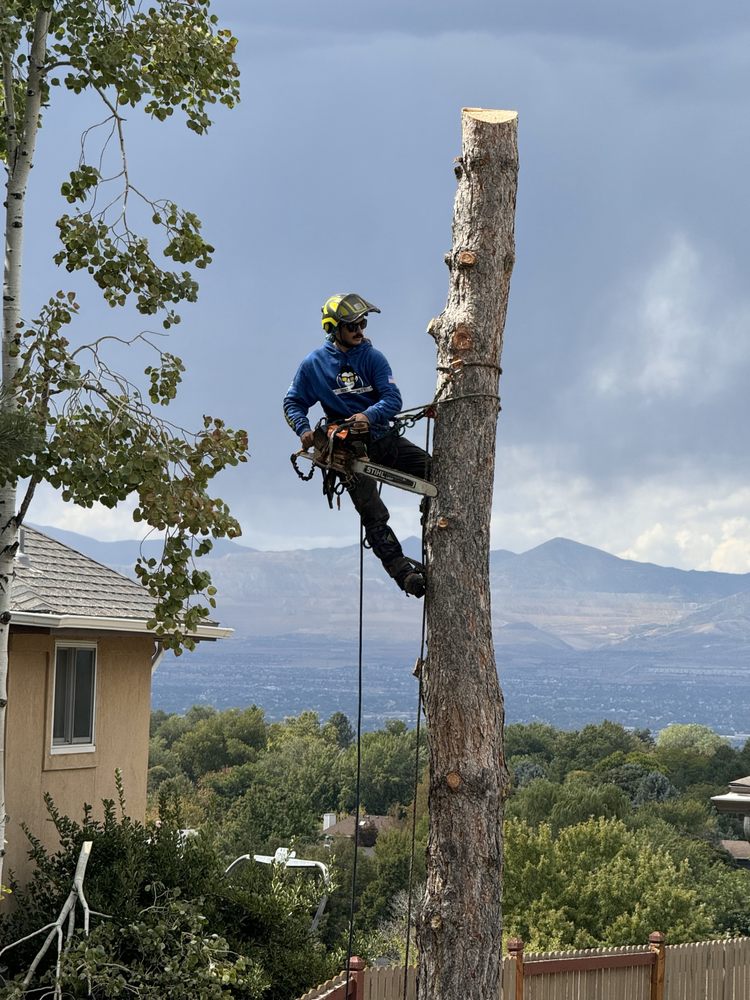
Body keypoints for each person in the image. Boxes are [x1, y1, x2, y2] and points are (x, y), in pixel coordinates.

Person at [284, 293, 430, 597]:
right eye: (352, 325)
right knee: (373, 515)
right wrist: (303, 429)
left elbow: (393, 399)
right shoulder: (314, 364)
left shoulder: (373, 358)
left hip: (382, 438)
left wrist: (368, 415)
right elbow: (293, 402)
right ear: (333, 327)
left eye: (362, 323)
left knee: (433, 470)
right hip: (347, 451)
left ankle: (434, 522)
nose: (360, 330)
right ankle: (404, 575)